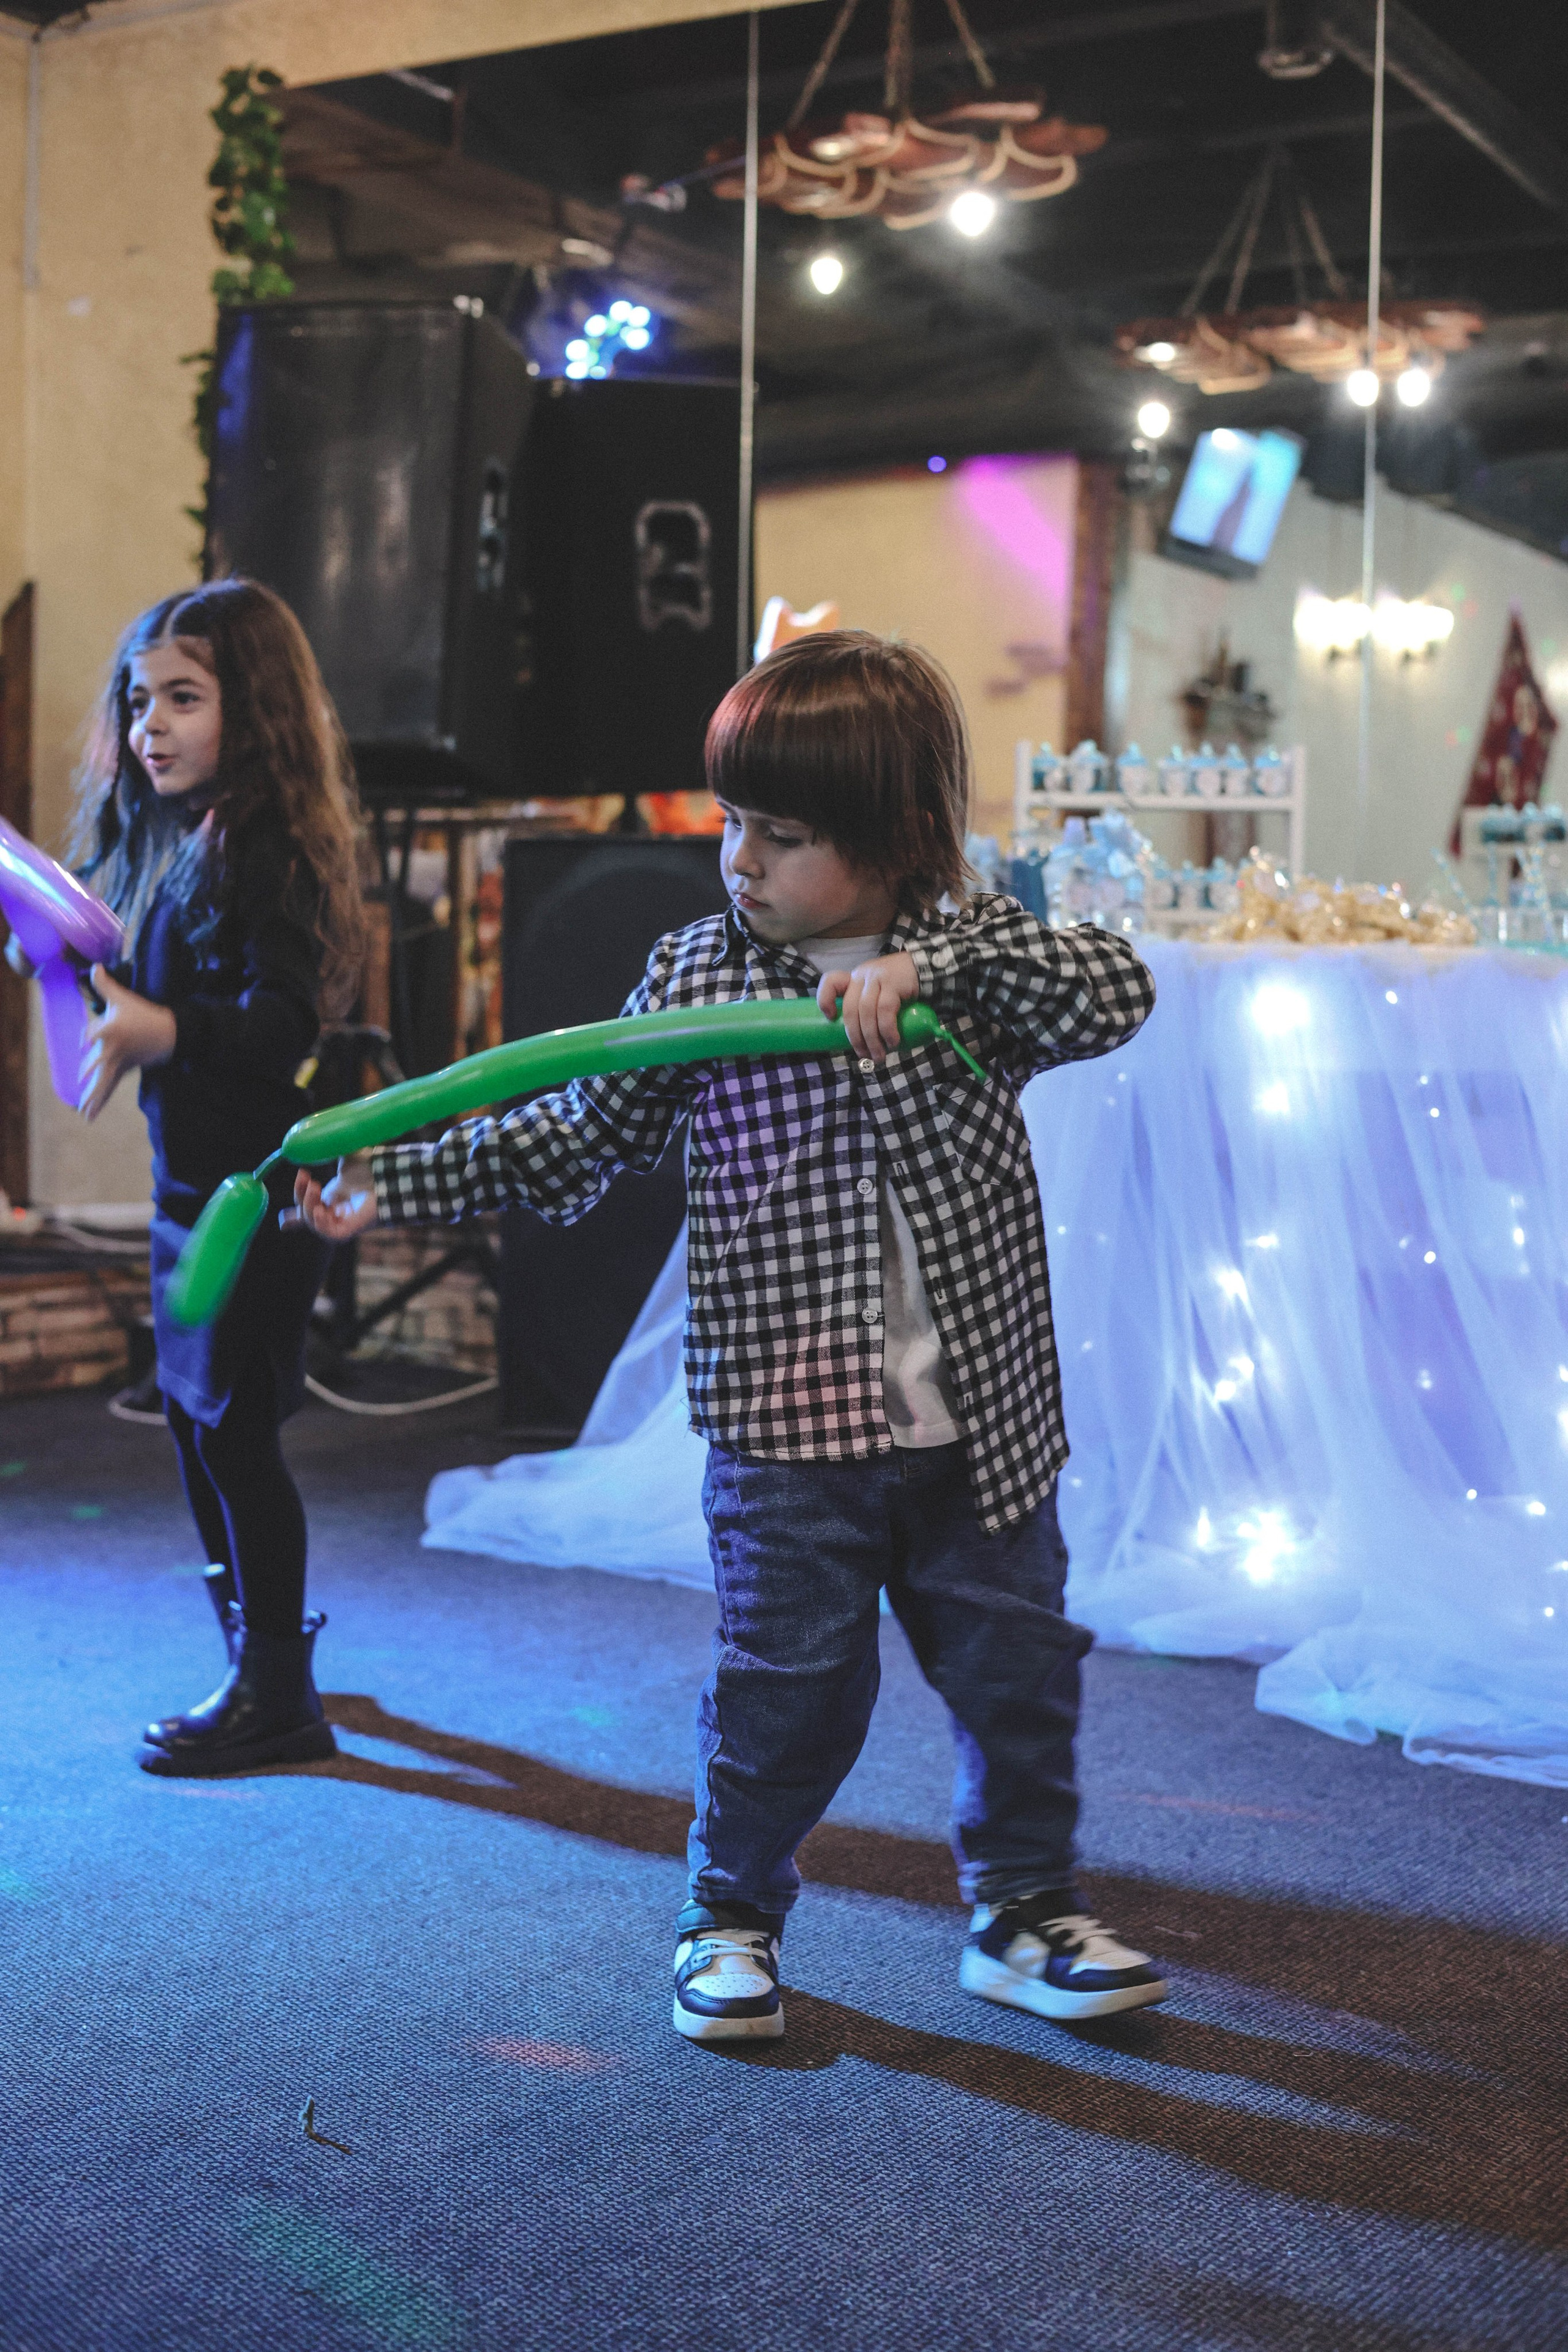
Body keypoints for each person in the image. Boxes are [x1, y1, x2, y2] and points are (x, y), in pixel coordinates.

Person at [295, 630, 1165, 2039]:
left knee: (1018, 1679)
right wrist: (397, 1179)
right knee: (788, 1694)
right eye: (731, 825)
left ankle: (1018, 1914)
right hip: (786, 1438)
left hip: (980, 1435)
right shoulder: (700, 976)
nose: (740, 860)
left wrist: (931, 984)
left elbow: (1115, 987)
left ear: (894, 839)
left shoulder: (979, 955)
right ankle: (730, 1916)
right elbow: (575, 1132)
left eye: (783, 833)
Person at [58, 579, 361, 1773]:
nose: (151, 725)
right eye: (141, 701)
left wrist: (158, 1030)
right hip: (187, 1190)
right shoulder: (173, 844)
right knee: (193, 1429)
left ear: (260, 710)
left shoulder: (266, 849)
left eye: (183, 697)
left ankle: (279, 1690)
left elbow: (285, 1026)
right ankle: (255, 1649)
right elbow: (137, 996)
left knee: (235, 1434)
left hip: (259, 1196)